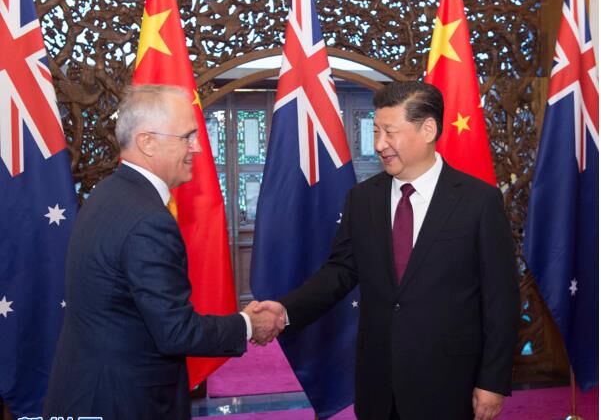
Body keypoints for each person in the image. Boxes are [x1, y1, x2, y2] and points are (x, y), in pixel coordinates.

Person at [256, 81, 520, 420]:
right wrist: (285, 310)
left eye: (390, 132)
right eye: (376, 131)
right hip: (378, 383)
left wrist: (493, 381)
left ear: (428, 129)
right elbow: (340, 271)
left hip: (449, 383)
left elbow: (501, 299)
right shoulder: (362, 199)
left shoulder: (478, 201)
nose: (379, 144)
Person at [43, 85, 284, 420]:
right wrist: (248, 324)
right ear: (147, 142)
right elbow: (176, 332)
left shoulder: (108, 193)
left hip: (88, 391)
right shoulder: (148, 220)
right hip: (123, 402)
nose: (197, 147)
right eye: (187, 137)